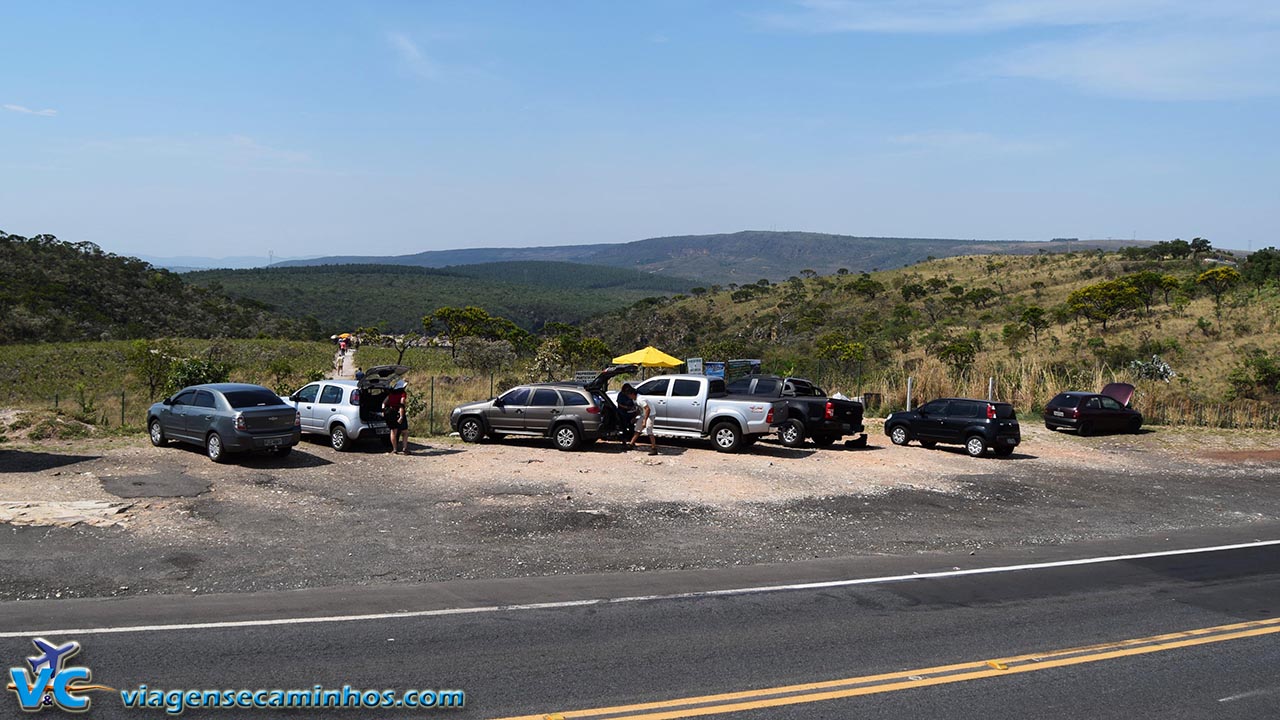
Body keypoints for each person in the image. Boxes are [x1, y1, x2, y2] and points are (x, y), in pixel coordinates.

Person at [624, 385, 658, 455]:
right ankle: (631, 444)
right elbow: (640, 410)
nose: (628, 397)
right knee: (637, 429)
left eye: (628, 395)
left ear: (632, 394)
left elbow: (648, 409)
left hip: (650, 414)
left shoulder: (640, 399)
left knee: (649, 430)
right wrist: (635, 417)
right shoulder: (635, 399)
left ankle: (654, 448)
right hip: (644, 414)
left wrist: (645, 421)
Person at [384, 379, 409, 454]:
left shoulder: (391, 394)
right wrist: (401, 415)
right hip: (399, 412)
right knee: (405, 432)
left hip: (391, 413)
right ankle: (404, 449)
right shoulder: (402, 393)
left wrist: (383, 411)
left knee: (393, 431)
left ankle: (394, 449)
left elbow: (385, 402)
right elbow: (402, 403)